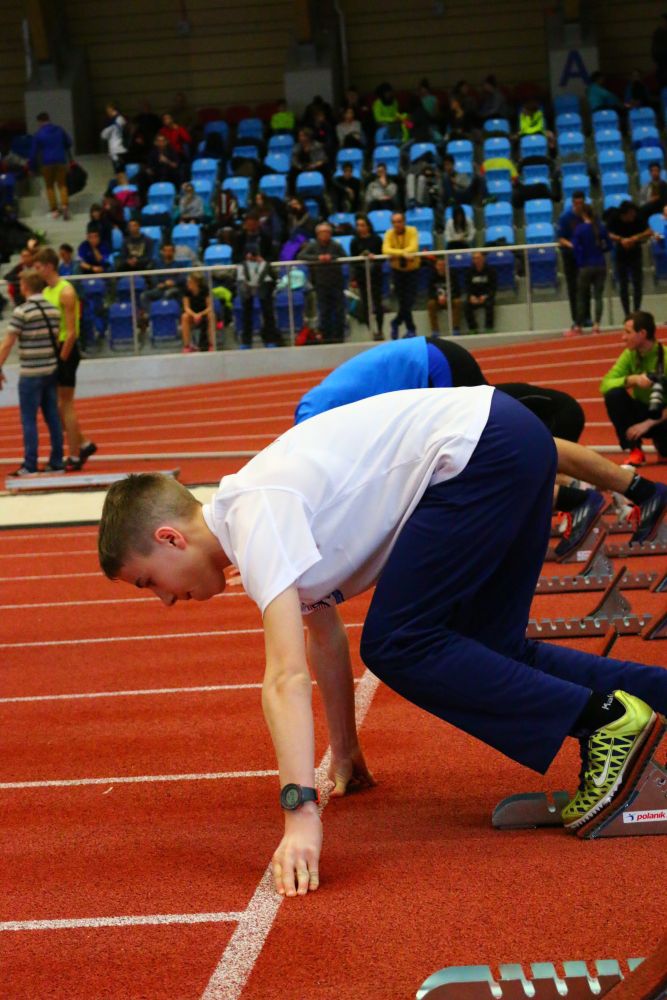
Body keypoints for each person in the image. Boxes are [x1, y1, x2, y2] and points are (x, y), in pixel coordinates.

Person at [99, 392, 667, 897]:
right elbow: (324, 638)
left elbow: (284, 677)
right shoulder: (255, 522)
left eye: (149, 582)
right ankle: (653, 704)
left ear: (169, 538)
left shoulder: (252, 513)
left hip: (483, 451)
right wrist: (344, 749)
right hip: (505, 442)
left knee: (399, 641)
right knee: (491, 650)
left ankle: (606, 721)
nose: (165, 600)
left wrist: (300, 813)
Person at [293, 336, 667, 545]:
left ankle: (620, 491)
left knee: (484, 452)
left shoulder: (313, 426)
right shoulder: (316, 428)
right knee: (471, 462)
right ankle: (581, 496)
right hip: (425, 374)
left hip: (433, 366)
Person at [33, 247, 97, 471]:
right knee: (56, 406)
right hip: (53, 350)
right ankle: (84, 444)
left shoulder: (66, 291)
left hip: (65, 350)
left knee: (65, 404)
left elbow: (71, 332)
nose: (36, 271)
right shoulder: (46, 291)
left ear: (49, 266)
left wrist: (61, 359)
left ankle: (74, 455)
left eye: (38, 267)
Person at [0, 270, 64, 475]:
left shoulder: (22, 311)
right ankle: (57, 461)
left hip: (31, 371)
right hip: (50, 369)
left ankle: (30, 464)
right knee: (52, 417)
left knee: (29, 419)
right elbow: (56, 340)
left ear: (25, 286)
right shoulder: (54, 310)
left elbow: (8, 343)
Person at [600, 310, 667, 467]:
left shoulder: (665, 357)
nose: (623, 337)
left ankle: (662, 448)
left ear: (642, 333)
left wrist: (648, 424)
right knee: (614, 395)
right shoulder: (629, 355)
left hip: (662, 416)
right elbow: (605, 384)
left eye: (628, 332)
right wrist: (633, 379)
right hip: (642, 410)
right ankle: (635, 449)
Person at [297, 222, 347, 344]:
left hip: (336, 282)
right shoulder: (312, 246)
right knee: (324, 311)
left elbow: (344, 256)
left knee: (339, 311)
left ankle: (339, 337)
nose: (325, 235)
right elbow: (301, 255)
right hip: (320, 283)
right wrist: (318, 258)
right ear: (317, 234)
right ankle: (326, 337)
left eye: (327, 232)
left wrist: (331, 257)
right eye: (322, 233)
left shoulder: (336, 245)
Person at [607, 201, 651, 316]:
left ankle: (637, 310)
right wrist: (620, 239)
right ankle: (627, 313)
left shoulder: (638, 218)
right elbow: (607, 233)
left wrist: (635, 238)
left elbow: (649, 231)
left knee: (637, 283)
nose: (633, 216)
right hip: (620, 253)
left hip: (635, 252)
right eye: (631, 214)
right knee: (623, 284)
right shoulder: (614, 218)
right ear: (624, 214)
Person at [571, 205, 610, 335]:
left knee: (581, 296)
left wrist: (580, 261)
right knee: (598, 296)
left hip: (586, 265)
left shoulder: (580, 229)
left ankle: (578, 325)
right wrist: (601, 250)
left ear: (583, 214)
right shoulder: (600, 227)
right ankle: (596, 325)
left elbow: (575, 247)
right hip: (600, 264)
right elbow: (609, 245)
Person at [235, 241, 281, 349]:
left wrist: (262, 263)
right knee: (246, 316)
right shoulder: (242, 265)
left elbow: (272, 278)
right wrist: (248, 286)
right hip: (247, 291)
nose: (250, 256)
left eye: (253, 253)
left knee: (268, 314)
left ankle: (270, 339)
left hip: (263, 290)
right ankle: (246, 341)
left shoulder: (265, 264)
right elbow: (240, 278)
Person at [383, 212, 420, 339]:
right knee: (403, 301)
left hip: (412, 271)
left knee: (409, 301)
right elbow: (386, 250)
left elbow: (413, 247)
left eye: (399, 221)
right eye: (394, 222)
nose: (397, 224)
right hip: (397, 272)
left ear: (404, 221)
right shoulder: (389, 233)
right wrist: (403, 254)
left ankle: (396, 322)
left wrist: (396, 253)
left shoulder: (412, 230)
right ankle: (411, 329)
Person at [29, 112, 72, 220]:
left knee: (49, 186)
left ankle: (54, 210)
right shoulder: (60, 130)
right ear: (49, 119)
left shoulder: (38, 134)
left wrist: (31, 167)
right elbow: (69, 142)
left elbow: (33, 153)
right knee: (62, 185)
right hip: (61, 161)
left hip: (47, 162)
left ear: (39, 122)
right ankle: (65, 206)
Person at [350, 214, 384, 340]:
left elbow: (382, 257)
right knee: (365, 304)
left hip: (375, 276)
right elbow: (353, 261)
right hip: (362, 276)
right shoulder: (354, 241)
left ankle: (380, 329)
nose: (360, 228)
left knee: (378, 303)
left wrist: (374, 258)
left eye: (362, 225)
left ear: (368, 226)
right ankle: (371, 330)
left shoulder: (376, 239)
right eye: (358, 225)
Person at [557, 190, 586, 334]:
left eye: (581, 203)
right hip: (570, 256)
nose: (579, 206)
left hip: (585, 256)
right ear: (573, 203)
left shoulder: (587, 215)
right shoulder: (565, 217)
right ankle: (576, 318)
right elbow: (560, 238)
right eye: (577, 203)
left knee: (585, 287)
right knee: (573, 287)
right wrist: (572, 245)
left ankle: (586, 317)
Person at [463, 251, 496, 333]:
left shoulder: (491, 271)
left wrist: (485, 296)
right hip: (474, 296)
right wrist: (471, 296)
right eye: (474, 258)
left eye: (478, 258)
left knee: (489, 304)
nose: (476, 260)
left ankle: (489, 327)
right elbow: (467, 286)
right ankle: (473, 328)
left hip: (486, 296)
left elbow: (493, 287)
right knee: (466, 305)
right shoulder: (469, 271)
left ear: (483, 259)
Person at [181, 272, 214, 352]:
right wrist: (194, 315)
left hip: (204, 313)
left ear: (196, 283)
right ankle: (187, 346)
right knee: (184, 317)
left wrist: (200, 314)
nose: (188, 283)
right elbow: (186, 307)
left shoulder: (205, 289)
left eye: (190, 282)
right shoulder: (186, 291)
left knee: (211, 316)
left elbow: (210, 307)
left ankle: (211, 344)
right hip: (192, 314)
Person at [427, 258, 461, 335]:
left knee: (458, 302)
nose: (441, 267)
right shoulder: (432, 276)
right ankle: (435, 330)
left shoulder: (452, 275)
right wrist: (438, 298)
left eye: (443, 265)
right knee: (431, 303)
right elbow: (430, 292)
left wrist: (448, 298)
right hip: (438, 301)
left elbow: (457, 291)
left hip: (450, 300)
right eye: (439, 265)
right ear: (436, 266)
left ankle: (455, 328)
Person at [100, 102, 128, 185]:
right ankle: (122, 190)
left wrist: (106, 131)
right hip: (114, 150)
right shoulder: (112, 121)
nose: (107, 113)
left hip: (118, 150)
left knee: (120, 174)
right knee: (118, 174)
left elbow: (104, 135)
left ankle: (125, 191)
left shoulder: (118, 120)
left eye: (108, 110)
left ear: (113, 109)